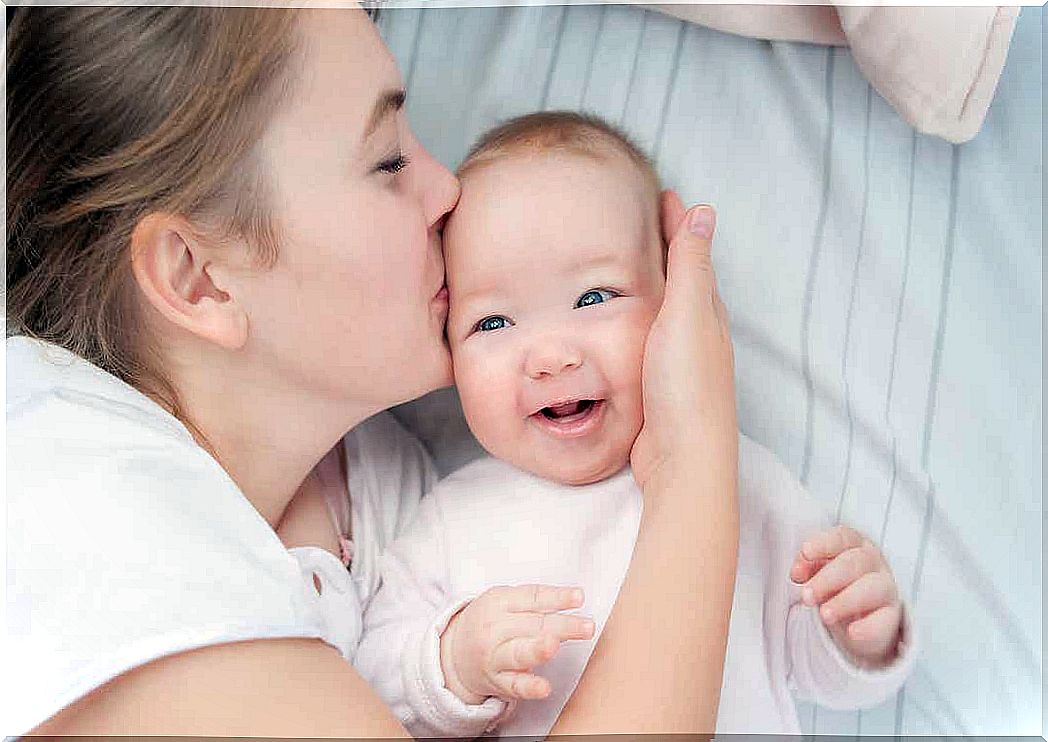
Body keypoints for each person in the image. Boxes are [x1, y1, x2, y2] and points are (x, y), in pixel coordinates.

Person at [4, 7, 738, 737]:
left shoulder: (389, 498)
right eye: (388, 161)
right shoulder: (66, 490)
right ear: (199, 279)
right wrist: (693, 455)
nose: (448, 190)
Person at [355, 112, 917, 738]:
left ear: (674, 295)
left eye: (594, 298)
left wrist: (858, 633)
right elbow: (372, 681)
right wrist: (455, 660)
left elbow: (813, 673)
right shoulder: (450, 518)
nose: (550, 357)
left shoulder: (741, 483)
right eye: (492, 323)